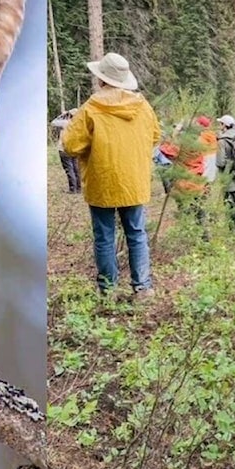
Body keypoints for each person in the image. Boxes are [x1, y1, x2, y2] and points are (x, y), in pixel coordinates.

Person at [62, 52, 160, 298]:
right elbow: (155, 136)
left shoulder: (90, 108)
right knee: (137, 234)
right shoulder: (143, 106)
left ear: (101, 78)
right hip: (134, 182)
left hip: (102, 181)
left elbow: (70, 145)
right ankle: (143, 287)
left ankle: (108, 290)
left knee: (104, 237)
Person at [158, 116, 217, 232]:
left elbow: (166, 151)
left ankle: (186, 233)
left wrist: (174, 134)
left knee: (184, 210)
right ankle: (203, 235)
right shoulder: (202, 141)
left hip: (184, 183)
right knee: (199, 210)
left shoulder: (183, 144)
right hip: (198, 181)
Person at [50, 108, 81, 193]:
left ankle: (72, 189)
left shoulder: (66, 123)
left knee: (69, 169)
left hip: (64, 149)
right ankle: (78, 188)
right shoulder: (79, 124)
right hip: (75, 148)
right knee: (76, 168)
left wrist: (63, 115)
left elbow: (53, 122)